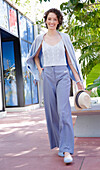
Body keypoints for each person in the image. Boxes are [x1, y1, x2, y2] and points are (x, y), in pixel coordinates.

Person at [26, 8, 84, 164]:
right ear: (46, 20)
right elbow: (35, 57)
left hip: (63, 74)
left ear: (59, 22)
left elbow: (71, 60)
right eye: (49, 19)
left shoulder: (64, 37)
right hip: (48, 75)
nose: (52, 22)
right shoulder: (40, 38)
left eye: (55, 19)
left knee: (64, 111)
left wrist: (78, 81)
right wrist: (39, 70)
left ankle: (67, 150)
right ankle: (60, 144)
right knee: (51, 112)